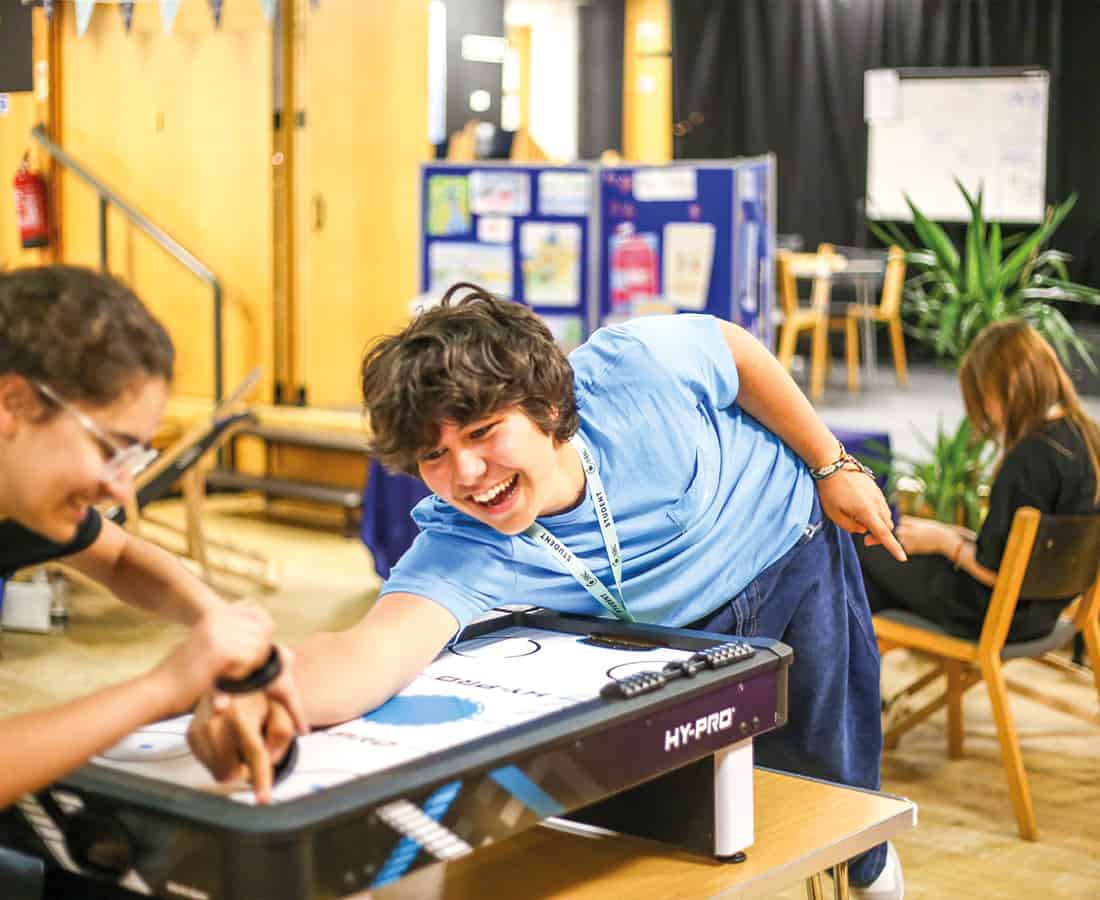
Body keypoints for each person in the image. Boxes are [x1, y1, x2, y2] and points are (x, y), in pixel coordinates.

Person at [189, 283, 908, 896]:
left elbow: (737, 351)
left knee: (835, 783)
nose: (466, 472)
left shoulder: (635, 369)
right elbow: (371, 650)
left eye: (482, 432)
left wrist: (830, 462)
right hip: (667, 638)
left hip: (786, 548)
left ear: (544, 407)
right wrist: (266, 691)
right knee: (687, 828)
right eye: (435, 455)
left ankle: (874, 876)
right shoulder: (462, 541)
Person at [0, 265, 306, 810]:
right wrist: (163, 688)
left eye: (133, 457)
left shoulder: (18, 500)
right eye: (109, 448)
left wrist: (221, 627)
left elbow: (119, 559)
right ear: (13, 403)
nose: (122, 489)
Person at [857, 318, 1100, 642]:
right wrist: (949, 534)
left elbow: (994, 570)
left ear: (1011, 384)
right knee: (896, 559)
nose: (986, 411)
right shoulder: (1085, 436)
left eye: (986, 397)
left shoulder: (1029, 458)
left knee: (865, 554)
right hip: (1044, 612)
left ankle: (859, 681)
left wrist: (945, 542)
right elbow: (1015, 551)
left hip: (997, 616)